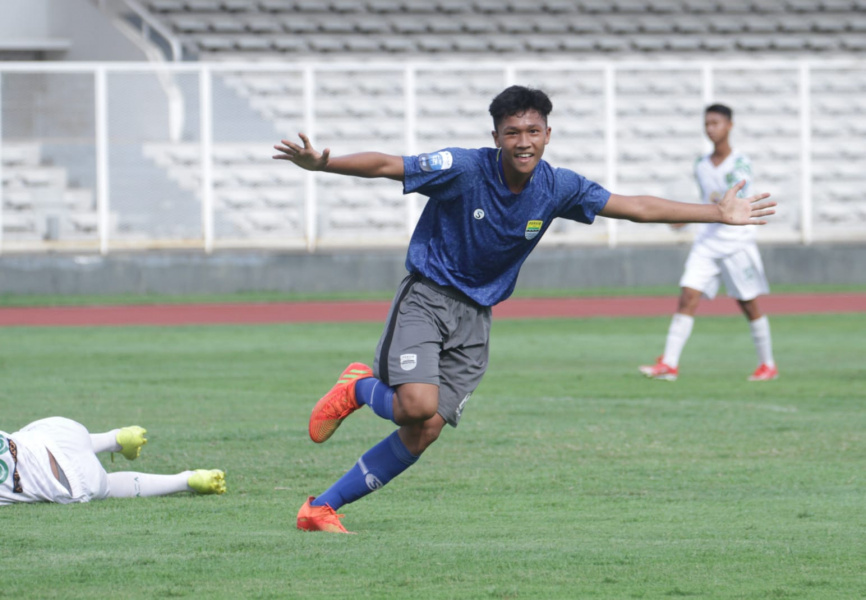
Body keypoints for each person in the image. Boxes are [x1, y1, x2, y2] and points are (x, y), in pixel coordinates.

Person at [273, 86, 775, 533]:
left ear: (549, 134)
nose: (523, 141)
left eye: (533, 130)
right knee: (417, 406)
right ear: (495, 137)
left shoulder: (557, 186)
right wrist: (324, 164)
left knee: (423, 430)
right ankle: (358, 387)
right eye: (512, 132)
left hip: (477, 318)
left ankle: (321, 508)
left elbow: (635, 207)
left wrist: (717, 213)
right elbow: (391, 165)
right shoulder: (465, 168)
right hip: (427, 298)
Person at [639, 104, 778, 382]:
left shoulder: (740, 164)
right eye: (707, 123)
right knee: (688, 295)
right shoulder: (700, 165)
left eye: (716, 123)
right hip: (707, 241)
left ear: (729, 126)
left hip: (736, 242)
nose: (710, 128)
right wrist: (685, 219)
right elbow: (708, 202)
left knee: (748, 304)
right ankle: (669, 363)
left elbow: (734, 203)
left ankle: (768, 364)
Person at [1, 417, 226, 506]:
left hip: (69, 481)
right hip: (60, 432)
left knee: (108, 486)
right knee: (32, 441)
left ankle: (186, 481)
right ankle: (116, 438)